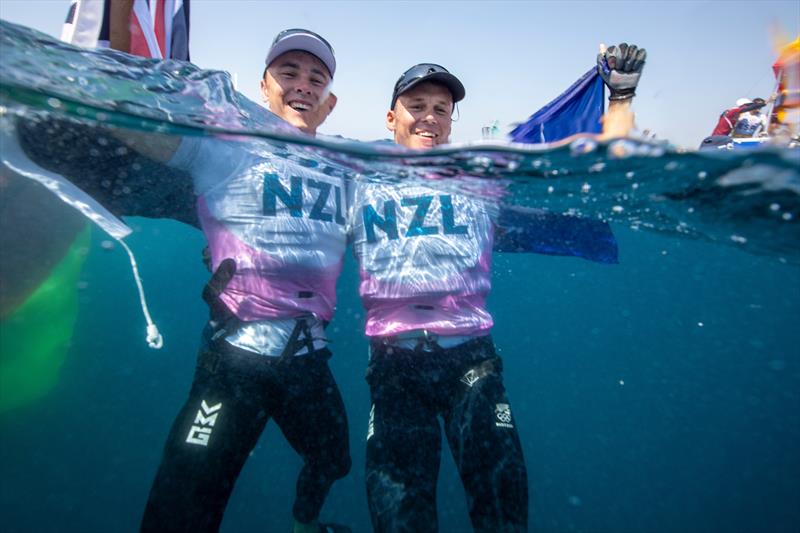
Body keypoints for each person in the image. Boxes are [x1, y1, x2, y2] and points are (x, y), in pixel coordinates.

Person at [350, 43, 645, 533]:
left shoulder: (482, 180)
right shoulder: (354, 179)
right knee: (400, 522)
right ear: (390, 117)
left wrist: (620, 99)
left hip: (472, 363)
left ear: (451, 121)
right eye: (417, 106)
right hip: (394, 367)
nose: (429, 118)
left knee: (505, 517)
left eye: (441, 109)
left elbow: (602, 175)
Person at [123, 29, 351, 533]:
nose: (302, 85)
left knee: (335, 460)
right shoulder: (227, 146)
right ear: (263, 86)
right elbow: (131, 128)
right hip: (233, 360)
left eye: (316, 78)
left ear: (330, 103)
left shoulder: (347, 170)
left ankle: (304, 523)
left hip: (308, 359)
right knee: (181, 507)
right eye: (289, 73)